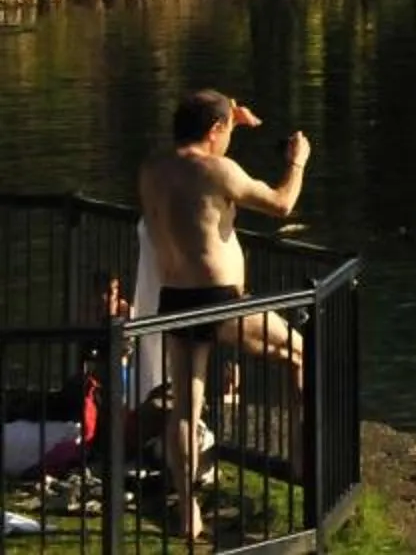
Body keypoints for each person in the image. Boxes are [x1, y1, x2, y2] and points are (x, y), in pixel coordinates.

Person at [137, 89, 309, 543]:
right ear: (215, 132)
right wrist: (298, 160)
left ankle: (189, 512)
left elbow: (201, 175)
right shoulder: (217, 170)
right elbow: (281, 203)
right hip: (220, 298)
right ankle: (300, 461)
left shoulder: (154, 170)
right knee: (301, 354)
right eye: (227, 129)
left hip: (174, 298)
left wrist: (229, 112)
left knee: (185, 411)